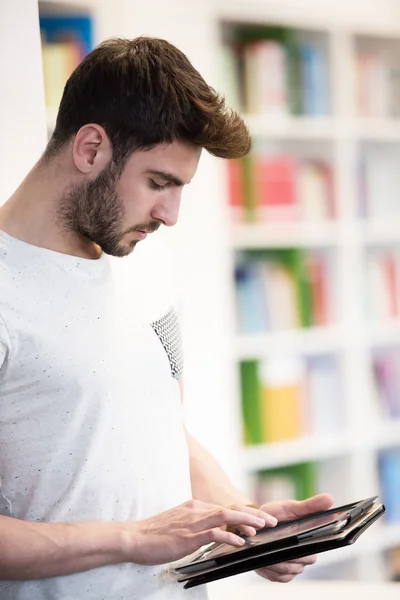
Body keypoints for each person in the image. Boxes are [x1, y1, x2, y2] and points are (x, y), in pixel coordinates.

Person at [0, 36, 333, 599]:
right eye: (158, 183)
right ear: (89, 149)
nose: (170, 215)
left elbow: (161, 428)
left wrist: (241, 520)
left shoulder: (145, 265)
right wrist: (131, 538)